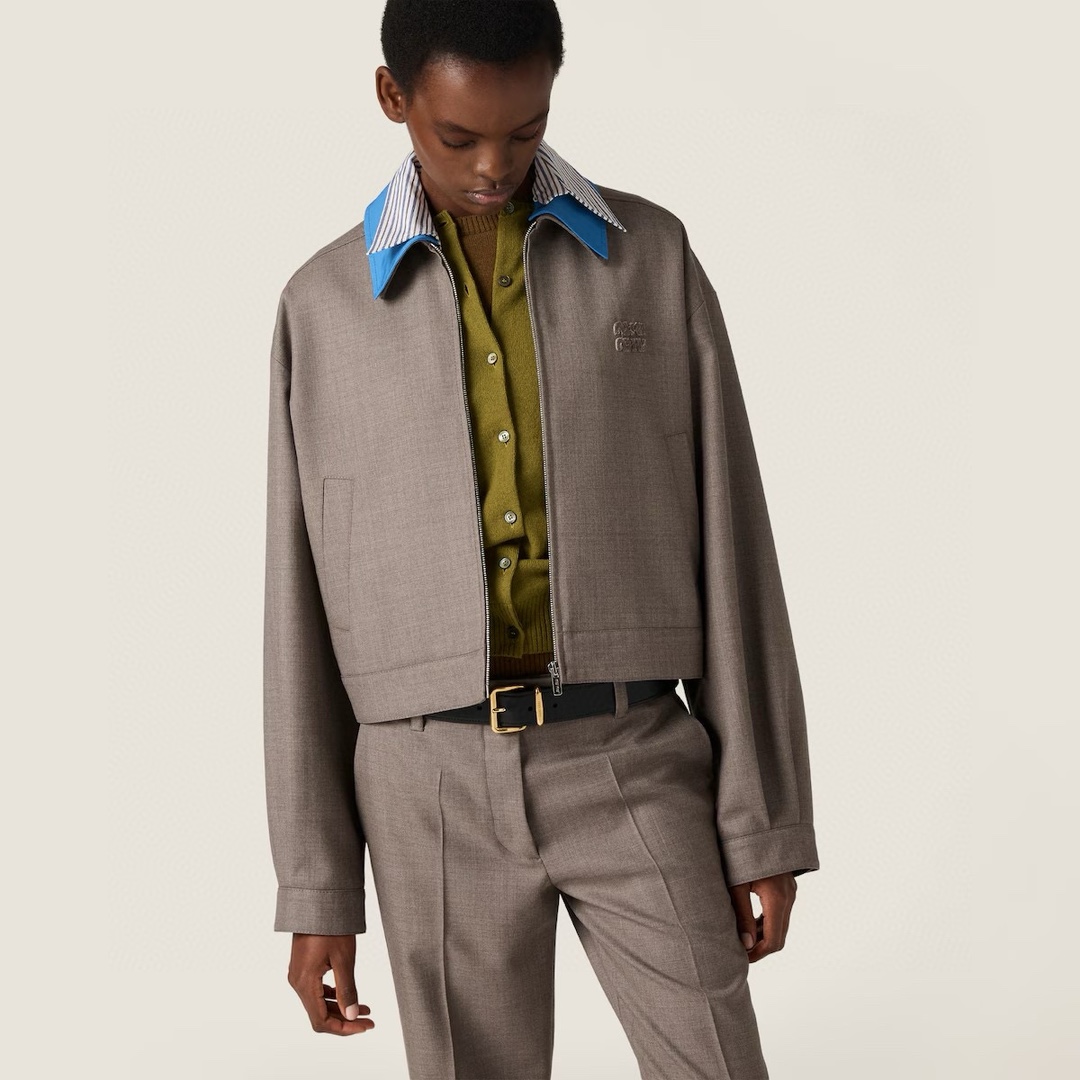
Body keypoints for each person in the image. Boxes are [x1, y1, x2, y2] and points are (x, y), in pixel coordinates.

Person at [262, 1, 820, 1076]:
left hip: (631, 751)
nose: (494, 165)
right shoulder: (320, 305)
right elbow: (297, 605)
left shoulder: (649, 256)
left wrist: (765, 823)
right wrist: (316, 886)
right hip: (423, 785)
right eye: (458, 136)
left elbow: (734, 538)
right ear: (392, 98)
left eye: (526, 131)